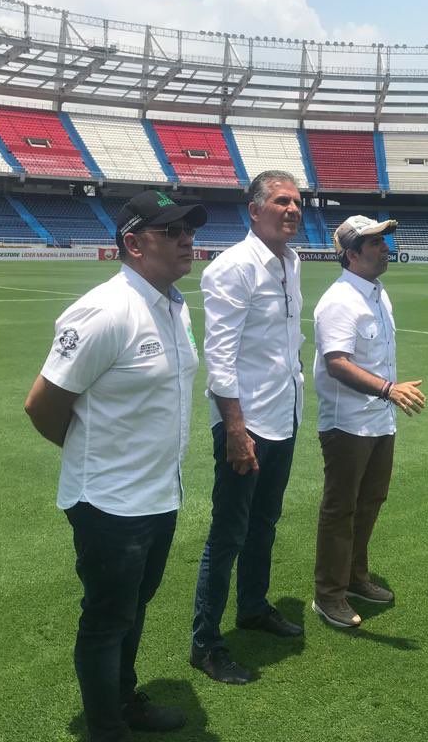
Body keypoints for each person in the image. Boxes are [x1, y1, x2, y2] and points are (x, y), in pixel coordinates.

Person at [24, 189, 206, 742]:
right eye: (171, 231)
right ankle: (106, 728)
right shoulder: (106, 311)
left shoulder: (174, 304)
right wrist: (91, 458)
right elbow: (42, 404)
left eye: (188, 231)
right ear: (133, 242)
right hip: (109, 502)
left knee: (134, 608)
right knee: (106, 620)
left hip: (160, 495)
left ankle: (124, 698)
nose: (186, 241)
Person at [190, 170, 305, 685]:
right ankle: (205, 642)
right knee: (228, 533)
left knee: (264, 524)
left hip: (284, 415)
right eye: (281, 201)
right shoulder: (232, 268)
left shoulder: (292, 261)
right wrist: (235, 430)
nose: (292, 209)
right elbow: (220, 359)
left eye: (297, 202)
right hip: (247, 423)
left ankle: (253, 606)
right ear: (254, 210)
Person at [311, 215, 427, 628]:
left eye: (384, 240)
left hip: (379, 421)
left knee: (370, 502)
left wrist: (387, 395)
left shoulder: (378, 293)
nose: (385, 247)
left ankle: (356, 576)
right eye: (375, 243)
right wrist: (387, 389)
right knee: (340, 509)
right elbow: (337, 364)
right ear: (352, 254)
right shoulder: (339, 301)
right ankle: (328, 594)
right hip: (347, 425)